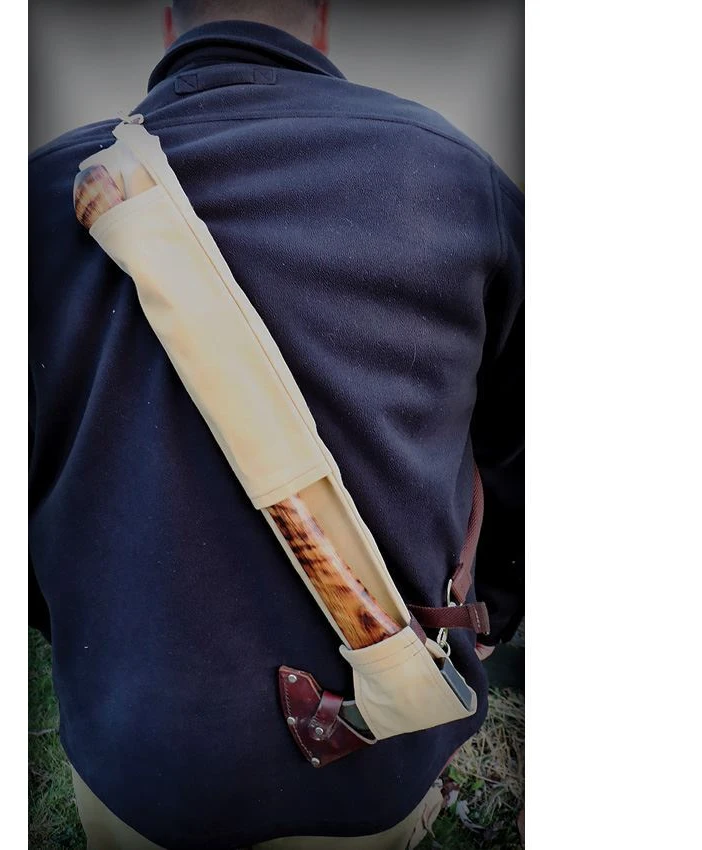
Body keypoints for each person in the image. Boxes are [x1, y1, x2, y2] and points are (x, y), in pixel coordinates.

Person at [29, 1, 524, 848]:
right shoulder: (454, 176)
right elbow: (521, 452)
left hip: (136, 763)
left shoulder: (34, 203)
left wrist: (82, 630)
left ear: (170, 23)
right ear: (321, 19)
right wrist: (492, 613)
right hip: (382, 777)